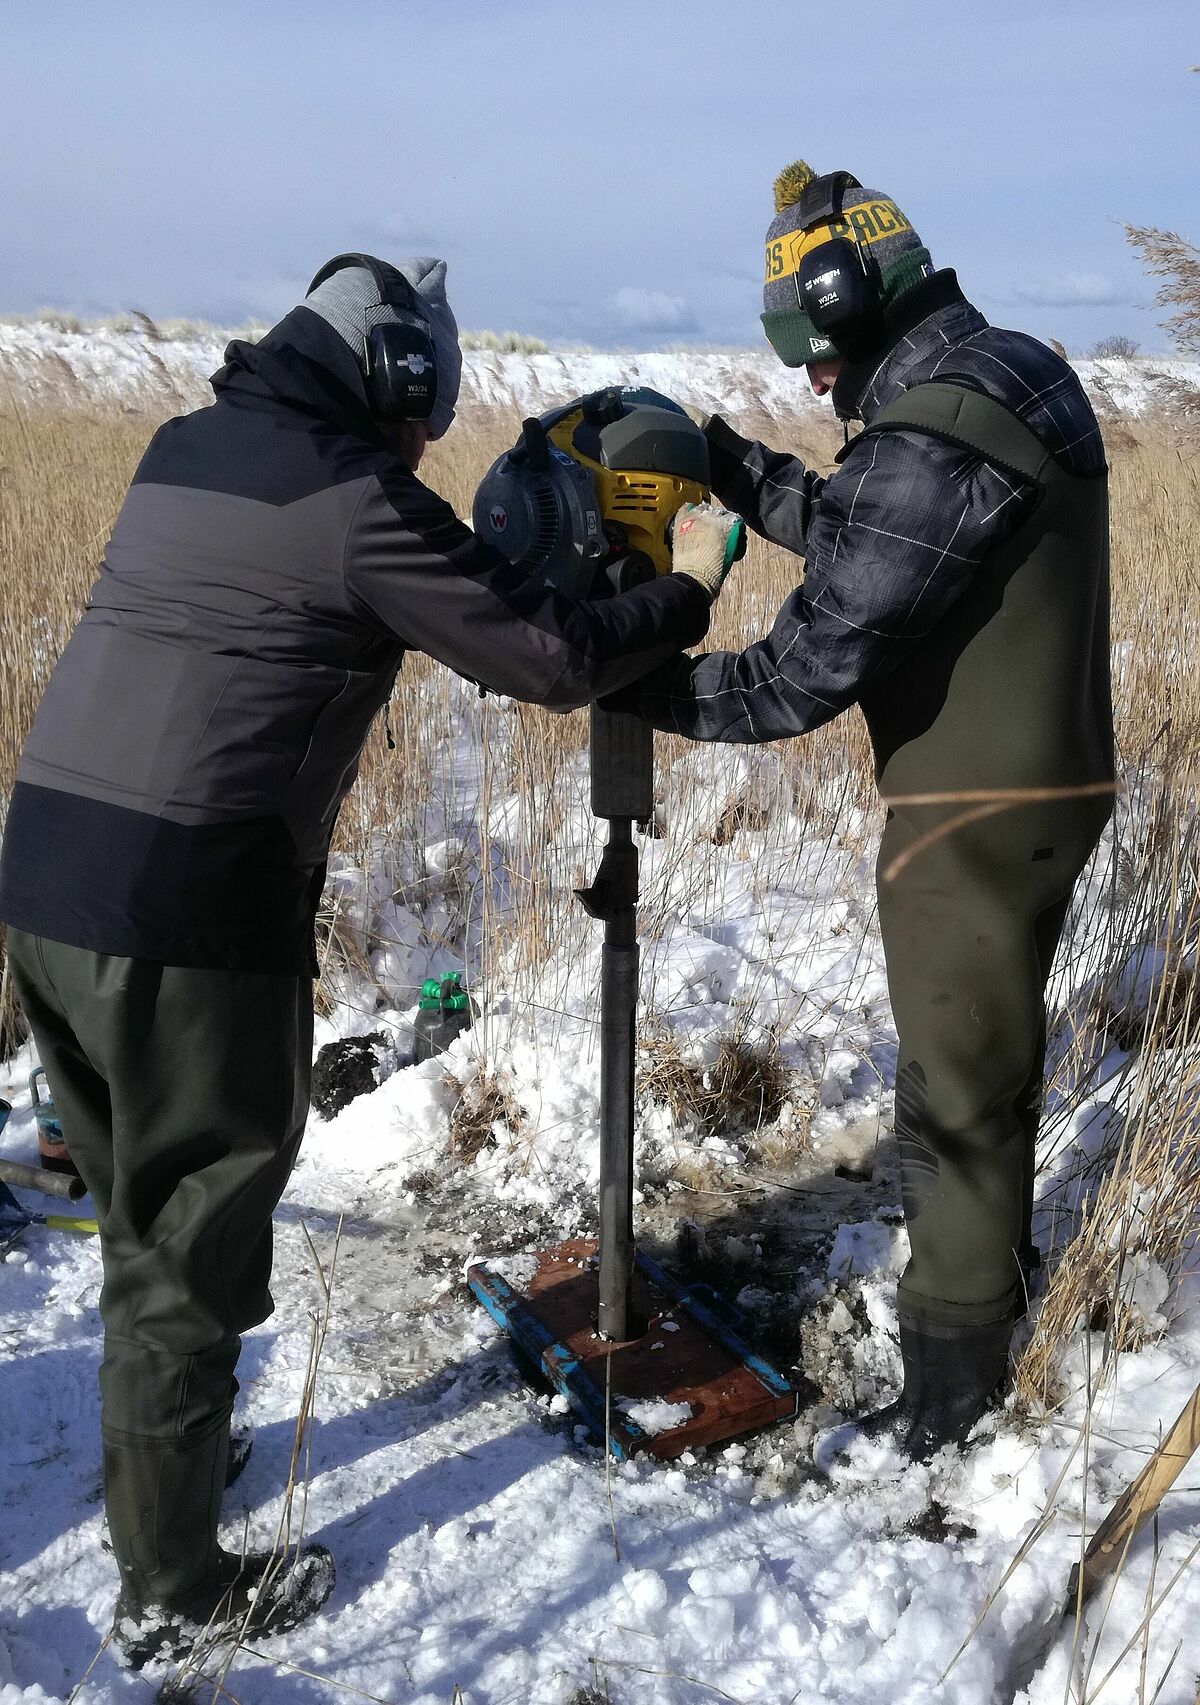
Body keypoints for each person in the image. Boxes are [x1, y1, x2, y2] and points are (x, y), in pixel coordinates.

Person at [0, 252, 739, 1665]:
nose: (427, 440)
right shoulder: (353, 500)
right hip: (185, 910)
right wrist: (687, 585)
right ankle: (170, 1588)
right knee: (193, 1241)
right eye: (426, 408)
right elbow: (544, 652)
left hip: (45, 878)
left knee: (138, 1210)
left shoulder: (183, 447)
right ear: (394, 384)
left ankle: (166, 1461)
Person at [611, 162, 1114, 1464]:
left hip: (971, 811)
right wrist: (729, 461)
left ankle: (954, 1408)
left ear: (855, 303)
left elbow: (799, 671)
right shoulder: (1004, 373)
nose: (814, 384)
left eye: (817, 356)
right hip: (1047, 783)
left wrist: (631, 680)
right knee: (987, 1072)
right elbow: (865, 524)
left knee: (952, 1102)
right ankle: (991, 1300)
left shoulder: (938, 430)